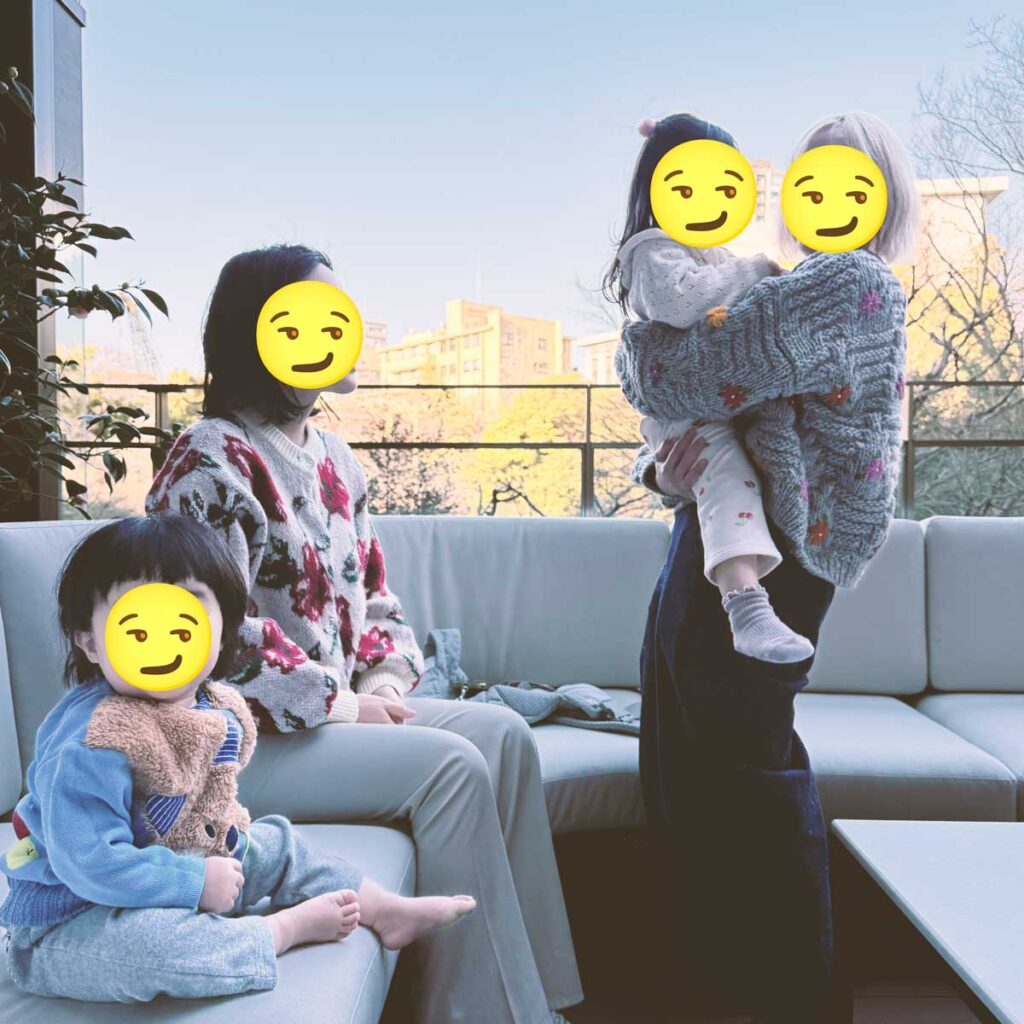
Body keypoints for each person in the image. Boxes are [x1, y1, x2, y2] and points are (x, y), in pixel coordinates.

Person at [146, 244, 581, 1024]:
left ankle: (540, 1000)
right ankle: (478, 1016)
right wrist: (345, 707)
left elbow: (378, 600)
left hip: (331, 722)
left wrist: (380, 687)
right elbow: (211, 640)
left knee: (506, 739)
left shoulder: (337, 460)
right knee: (452, 766)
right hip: (234, 747)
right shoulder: (207, 461)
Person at [615, 111, 919, 1024]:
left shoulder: (845, 284)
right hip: (728, 544)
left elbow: (682, 376)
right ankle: (701, 990)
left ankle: (785, 997)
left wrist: (636, 344)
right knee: (686, 757)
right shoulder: (790, 285)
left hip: (779, 558)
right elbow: (714, 414)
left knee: (741, 768)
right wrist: (665, 474)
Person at [0, 513, 476, 1002]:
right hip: (71, 918)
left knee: (275, 845)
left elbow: (204, 804)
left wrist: (220, 855)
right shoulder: (92, 742)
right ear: (89, 641)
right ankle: (279, 932)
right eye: (139, 621)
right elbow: (90, 861)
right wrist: (194, 881)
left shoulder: (208, 704)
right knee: (154, 948)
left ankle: (382, 908)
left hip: (172, 866)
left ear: (221, 628)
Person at [604, 111, 811, 664]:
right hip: (688, 416)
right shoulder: (653, 249)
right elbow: (682, 304)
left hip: (720, 414)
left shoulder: (715, 255)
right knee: (722, 470)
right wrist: (760, 271)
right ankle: (745, 602)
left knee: (728, 467)